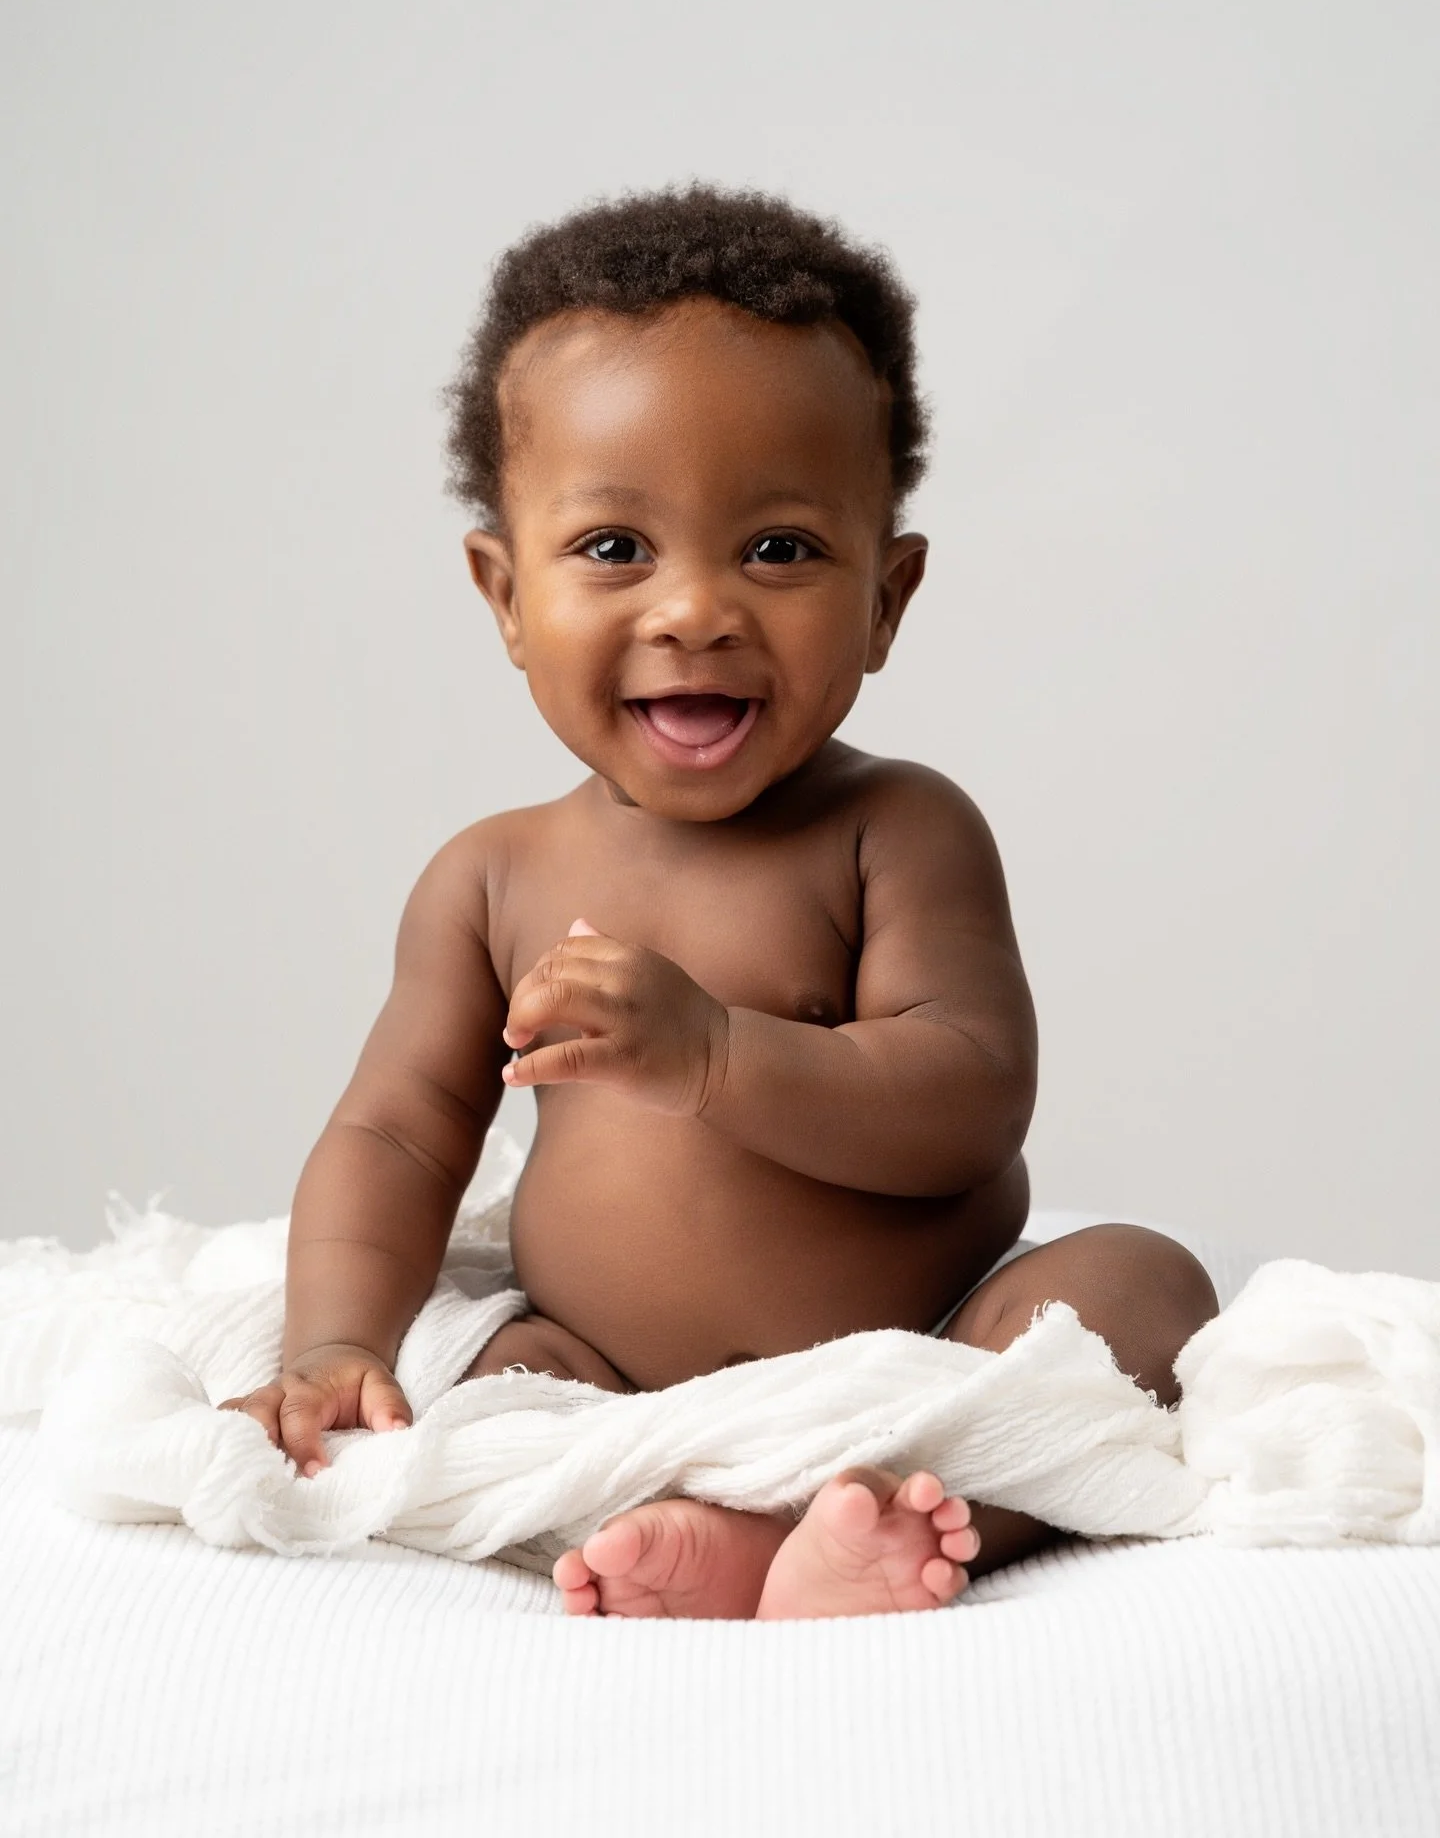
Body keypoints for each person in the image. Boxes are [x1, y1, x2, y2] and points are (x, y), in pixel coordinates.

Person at [223, 187, 1217, 1619]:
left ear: (888, 595)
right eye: (616, 548)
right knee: (490, 1380)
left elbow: (969, 1096)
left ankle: (913, 1516)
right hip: (607, 1368)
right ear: (505, 595)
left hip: (915, 1353)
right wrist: (330, 1341)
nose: (696, 609)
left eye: (780, 549)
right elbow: (394, 1128)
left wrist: (714, 1055)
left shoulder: (900, 830)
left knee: (1141, 1285)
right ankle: (690, 1526)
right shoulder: (489, 877)